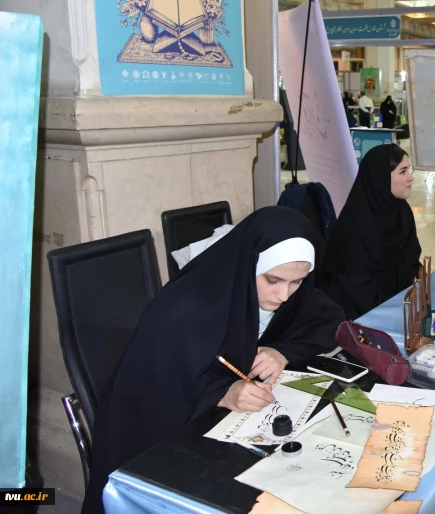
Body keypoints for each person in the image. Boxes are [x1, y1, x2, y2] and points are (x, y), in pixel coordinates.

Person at [82, 207, 345, 514]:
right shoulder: (183, 310)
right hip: (152, 441)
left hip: (227, 433)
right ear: (248, 265)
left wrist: (282, 351)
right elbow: (154, 389)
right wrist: (221, 392)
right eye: (273, 280)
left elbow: (329, 319)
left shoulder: (283, 289)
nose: (284, 295)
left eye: (296, 282)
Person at [321, 144, 421, 319]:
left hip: (397, 305)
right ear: (380, 178)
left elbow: (411, 257)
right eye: (402, 171)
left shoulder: (401, 212)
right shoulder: (355, 224)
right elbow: (353, 282)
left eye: (408, 170)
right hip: (357, 313)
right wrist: (389, 312)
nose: (410, 177)